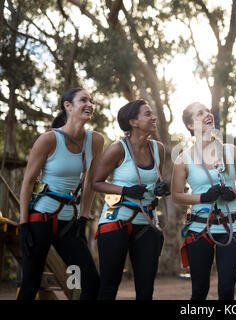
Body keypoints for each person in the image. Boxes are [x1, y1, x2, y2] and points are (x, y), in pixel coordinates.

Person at [18, 87, 104, 300]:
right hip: (40, 219)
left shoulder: (96, 141)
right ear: (68, 106)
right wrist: (23, 224)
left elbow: (91, 183)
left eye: (91, 100)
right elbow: (28, 182)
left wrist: (83, 217)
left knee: (92, 281)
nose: (89, 104)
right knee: (31, 283)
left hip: (69, 223)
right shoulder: (48, 140)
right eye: (83, 100)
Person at [171, 102, 236, 300]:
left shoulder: (231, 150)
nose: (208, 114)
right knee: (199, 291)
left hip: (231, 227)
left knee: (226, 291)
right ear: (190, 125)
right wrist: (203, 197)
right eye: (200, 113)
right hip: (199, 229)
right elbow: (176, 195)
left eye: (208, 111)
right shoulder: (183, 159)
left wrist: (234, 193)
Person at [92, 99, 169, 300]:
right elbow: (96, 182)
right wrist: (125, 190)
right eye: (147, 114)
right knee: (109, 287)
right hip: (116, 221)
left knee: (146, 290)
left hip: (147, 223)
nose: (154, 118)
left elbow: (155, 184)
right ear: (133, 122)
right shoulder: (117, 149)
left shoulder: (158, 149)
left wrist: (161, 189)